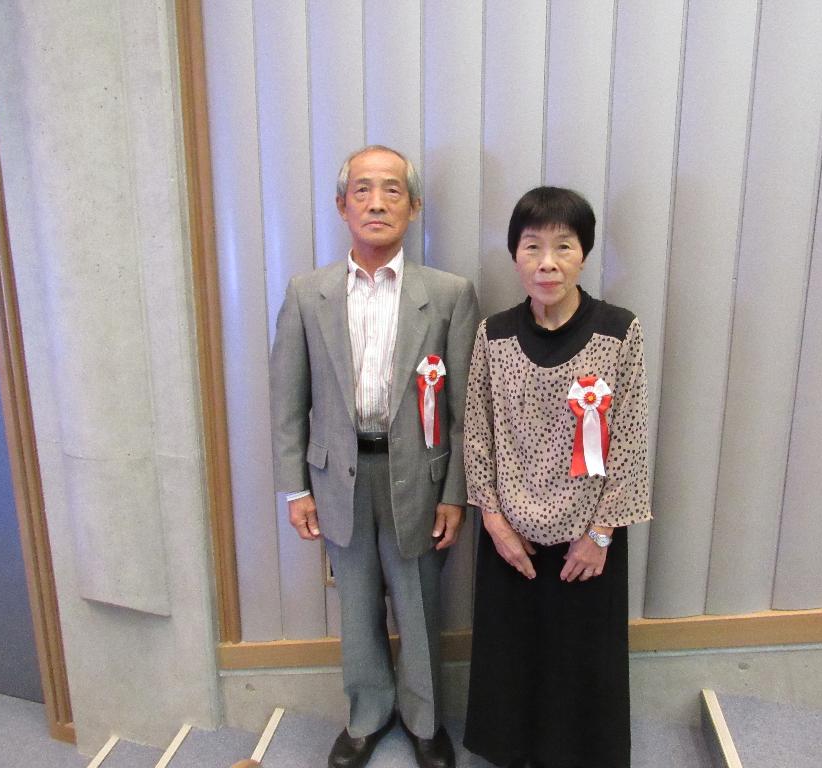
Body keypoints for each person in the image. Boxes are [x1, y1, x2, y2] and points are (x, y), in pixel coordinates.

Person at [269, 145, 479, 768]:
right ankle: (367, 713)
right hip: (339, 477)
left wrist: (454, 493)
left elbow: (467, 410)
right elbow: (287, 400)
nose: (377, 202)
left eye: (392, 190)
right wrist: (296, 488)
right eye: (362, 190)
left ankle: (424, 720)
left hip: (420, 476)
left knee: (418, 602)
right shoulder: (307, 294)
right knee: (356, 604)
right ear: (342, 206)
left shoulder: (449, 294)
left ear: (414, 206)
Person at [462, 186, 651, 768]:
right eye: (532, 246)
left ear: (584, 254)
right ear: (514, 256)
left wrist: (600, 535)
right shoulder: (493, 334)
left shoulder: (619, 331)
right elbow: (477, 431)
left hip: (588, 537)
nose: (548, 262)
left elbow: (631, 440)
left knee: (580, 658)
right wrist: (494, 522)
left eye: (563, 246)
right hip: (509, 534)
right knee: (511, 653)